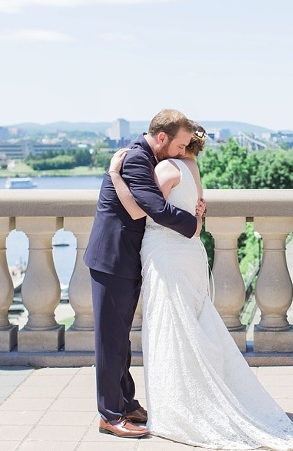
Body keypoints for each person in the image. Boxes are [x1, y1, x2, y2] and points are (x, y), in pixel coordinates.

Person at [107, 124, 293, 450]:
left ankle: (176, 409)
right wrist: (197, 218)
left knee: (169, 328)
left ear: (177, 143)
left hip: (166, 256)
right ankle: (192, 396)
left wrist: (115, 175)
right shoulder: (192, 168)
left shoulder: (165, 168)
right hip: (189, 254)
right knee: (191, 323)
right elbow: (195, 208)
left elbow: (141, 211)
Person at [83, 109, 205, 439]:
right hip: (112, 259)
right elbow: (152, 209)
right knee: (110, 341)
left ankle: (125, 403)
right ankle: (109, 415)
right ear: (162, 138)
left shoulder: (149, 156)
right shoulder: (137, 159)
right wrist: (193, 225)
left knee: (120, 339)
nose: (182, 153)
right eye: (180, 146)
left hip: (127, 258)